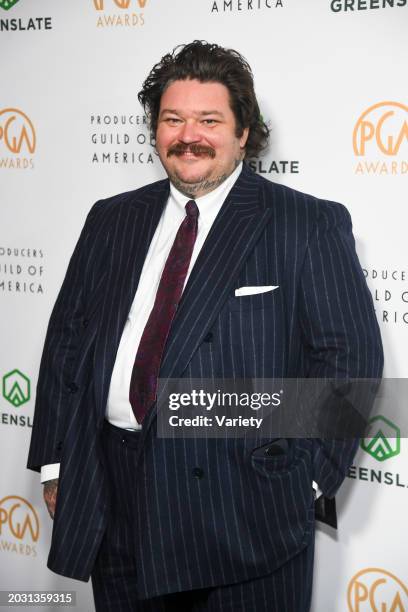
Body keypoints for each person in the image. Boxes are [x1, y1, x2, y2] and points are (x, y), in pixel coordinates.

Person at [27, 41, 383, 611]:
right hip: (113, 493)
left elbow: (349, 359)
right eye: (173, 119)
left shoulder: (306, 222)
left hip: (243, 510)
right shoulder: (110, 218)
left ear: (244, 133)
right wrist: (56, 459)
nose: (188, 135)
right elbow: (68, 341)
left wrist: (308, 481)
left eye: (209, 120)